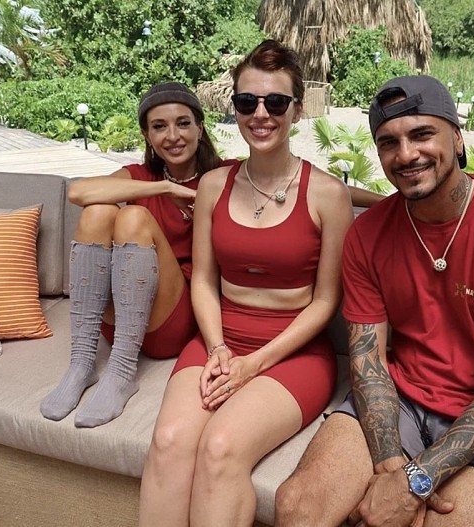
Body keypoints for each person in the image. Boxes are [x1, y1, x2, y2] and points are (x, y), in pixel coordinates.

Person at [275, 75, 474, 527]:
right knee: (298, 505)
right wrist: (390, 467)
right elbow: (369, 363)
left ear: (456, 138)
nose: (406, 154)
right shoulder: (367, 234)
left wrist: (416, 481)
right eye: (388, 142)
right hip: (404, 397)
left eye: (421, 134)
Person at [138, 40, 353, 526]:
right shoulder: (213, 185)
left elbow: (326, 302)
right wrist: (217, 348)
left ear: (297, 109)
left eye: (275, 102)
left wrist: (253, 364)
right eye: (246, 101)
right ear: (233, 106)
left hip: (294, 352)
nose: (261, 114)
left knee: (220, 447)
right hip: (218, 339)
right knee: (169, 441)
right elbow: (203, 281)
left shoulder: (328, 194)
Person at [40, 82, 224, 428]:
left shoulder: (224, 174)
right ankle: (82, 364)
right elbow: (78, 192)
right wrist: (165, 188)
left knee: (133, 217)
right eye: (159, 126)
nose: (173, 136)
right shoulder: (141, 177)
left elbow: (288, 188)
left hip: (175, 317)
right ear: (147, 135)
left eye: (183, 123)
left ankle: (123, 372)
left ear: (200, 128)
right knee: (98, 211)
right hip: (121, 320)